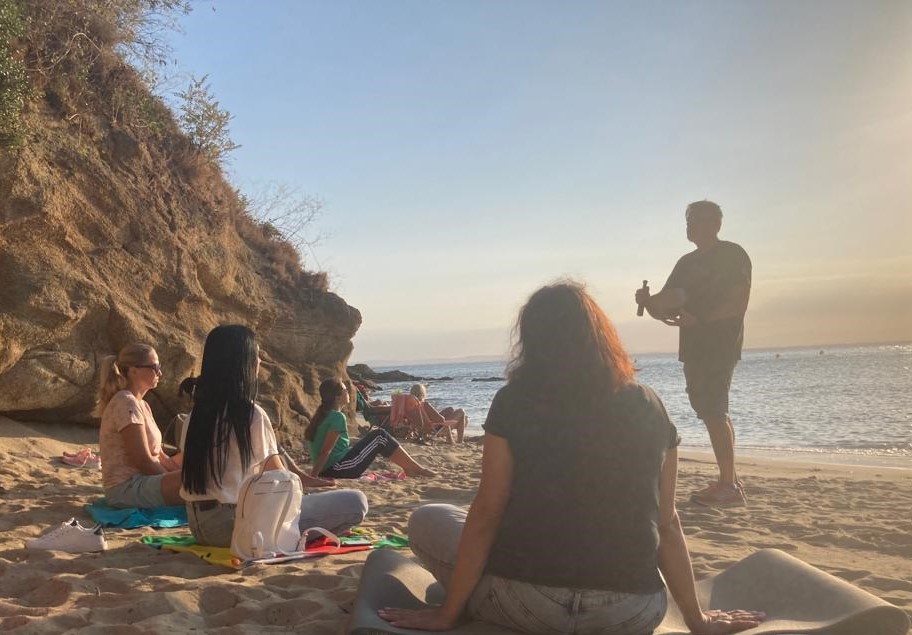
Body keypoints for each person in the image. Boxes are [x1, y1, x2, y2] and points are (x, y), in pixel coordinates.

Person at [379, 281, 764, 634]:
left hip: (527, 603)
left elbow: (488, 512)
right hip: (630, 612)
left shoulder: (514, 401)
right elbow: (666, 524)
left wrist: (449, 613)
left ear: (531, 341)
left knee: (428, 518)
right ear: (601, 337)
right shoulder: (649, 405)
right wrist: (696, 619)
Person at [180, 325, 368, 547]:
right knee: (356, 502)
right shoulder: (249, 415)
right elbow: (281, 477)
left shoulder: (194, 417)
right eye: (257, 354)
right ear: (244, 362)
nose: (260, 361)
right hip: (236, 527)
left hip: (199, 527)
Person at [635, 200, 751, 506]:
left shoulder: (732, 254)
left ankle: (729, 484)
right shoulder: (686, 263)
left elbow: (738, 302)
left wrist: (700, 320)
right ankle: (730, 481)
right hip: (694, 347)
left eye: (695, 220)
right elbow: (667, 305)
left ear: (715, 224)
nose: (689, 226)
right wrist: (648, 303)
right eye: (688, 221)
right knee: (710, 410)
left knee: (714, 409)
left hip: (719, 344)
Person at [95, 343, 183, 508]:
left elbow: (160, 456)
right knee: (198, 482)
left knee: (200, 465)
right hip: (126, 489)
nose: (160, 373)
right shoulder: (125, 402)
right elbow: (142, 461)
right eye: (155, 367)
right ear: (133, 370)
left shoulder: (142, 405)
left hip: (144, 480)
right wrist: (179, 483)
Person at [306, 378, 436, 479]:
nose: (349, 393)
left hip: (333, 466)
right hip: (338, 469)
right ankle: (415, 468)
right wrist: (314, 477)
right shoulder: (337, 417)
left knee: (376, 437)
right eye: (346, 390)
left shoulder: (323, 415)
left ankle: (411, 467)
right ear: (337, 397)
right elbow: (325, 452)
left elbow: (329, 447)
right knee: (380, 436)